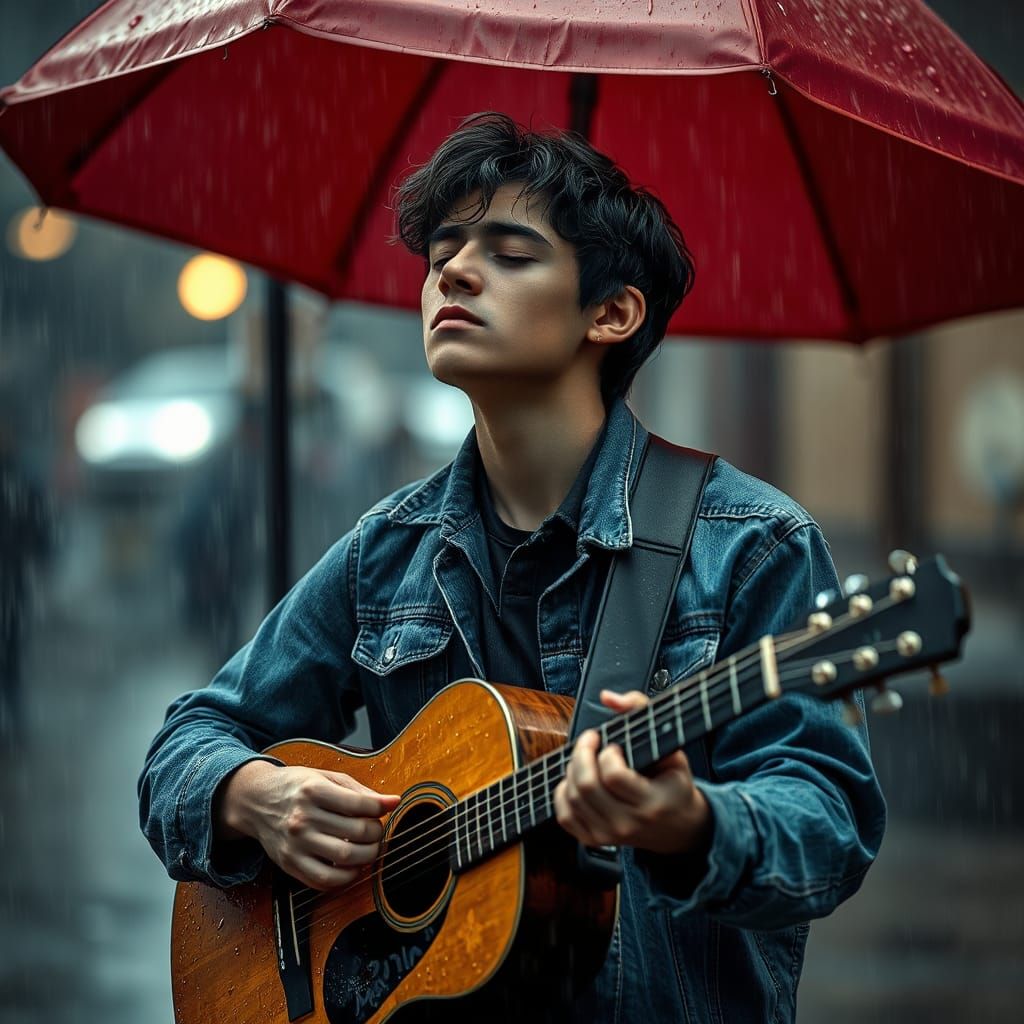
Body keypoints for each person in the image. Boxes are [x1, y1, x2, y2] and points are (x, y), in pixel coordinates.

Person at [140, 113, 885, 1022]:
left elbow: (830, 823)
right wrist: (253, 795)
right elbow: (190, 739)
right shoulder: (388, 552)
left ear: (610, 313)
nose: (451, 272)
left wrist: (692, 826)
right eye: (443, 251)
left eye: (511, 252)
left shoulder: (751, 544)